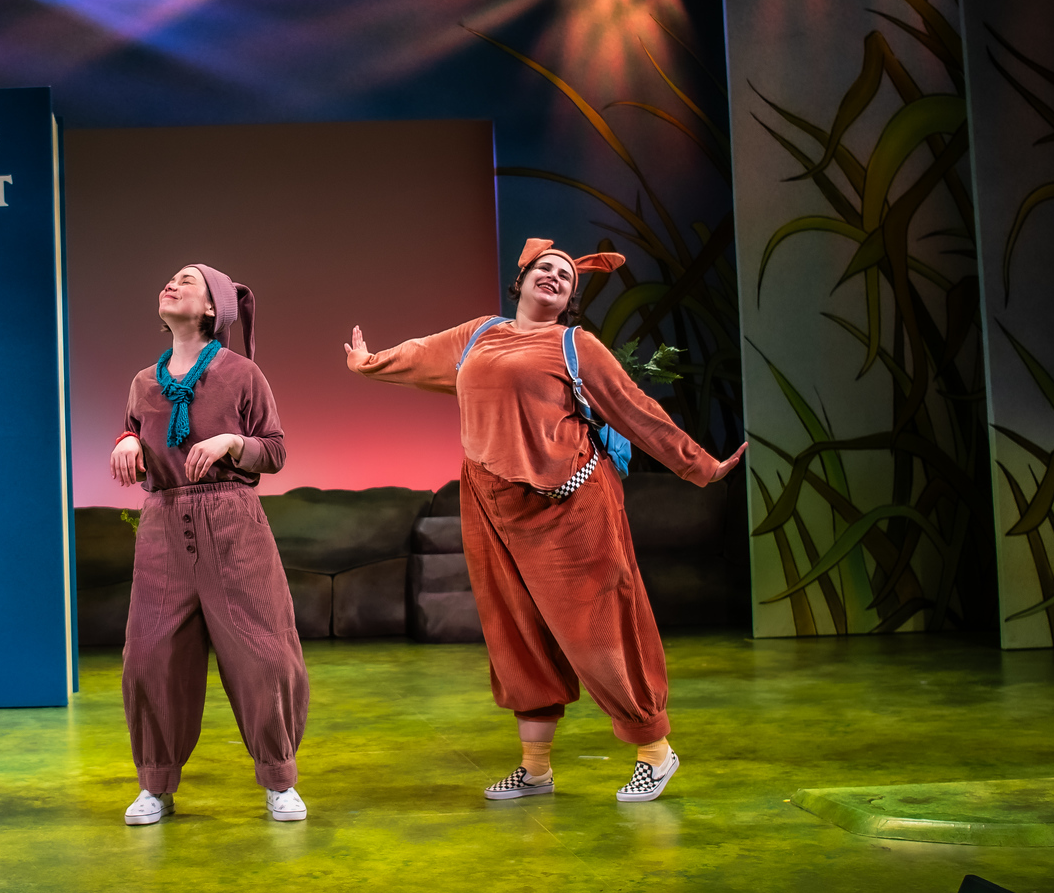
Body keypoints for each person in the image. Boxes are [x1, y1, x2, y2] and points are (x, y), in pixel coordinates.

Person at [344, 238, 746, 803]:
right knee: (514, 633)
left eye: (566, 276)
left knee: (598, 626)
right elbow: (418, 354)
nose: (555, 276)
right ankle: (535, 769)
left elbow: (635, 409)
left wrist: (700, 466)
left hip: (569, 503)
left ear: (570, 299)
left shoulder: (576, 346)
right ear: (522, 278)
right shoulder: (478, 334)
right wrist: (367, 364)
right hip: (489, 501)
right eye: (545, 268)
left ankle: (654, 751)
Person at [112, 263, 309, 825]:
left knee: (264, 652)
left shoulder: (243, 374)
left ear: (211, 309)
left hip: (232, 520)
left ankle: (278, 776)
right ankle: (155, 782)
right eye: (169, 279)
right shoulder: (143, 383)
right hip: (163, 524)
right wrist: (126, 440)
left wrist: (231, 442)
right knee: (149, 657)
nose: (171, 284)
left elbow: (274, 450)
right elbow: (134, 425)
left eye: (187, 281)